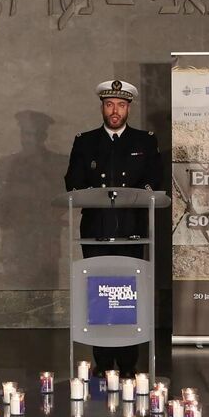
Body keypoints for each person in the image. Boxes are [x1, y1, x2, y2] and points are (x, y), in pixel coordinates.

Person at [63, 79, 164, 372]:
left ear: (129, 108)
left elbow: (154, 182)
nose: (114, 110)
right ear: (102, 108)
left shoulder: (144, 141)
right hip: (96, 229)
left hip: (132, 230)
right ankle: (104, 362)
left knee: (129, 294)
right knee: (99, 293)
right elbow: (73, 182)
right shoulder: (86, 141)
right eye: (109, 105)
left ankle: (130, 364)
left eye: (120, 105)